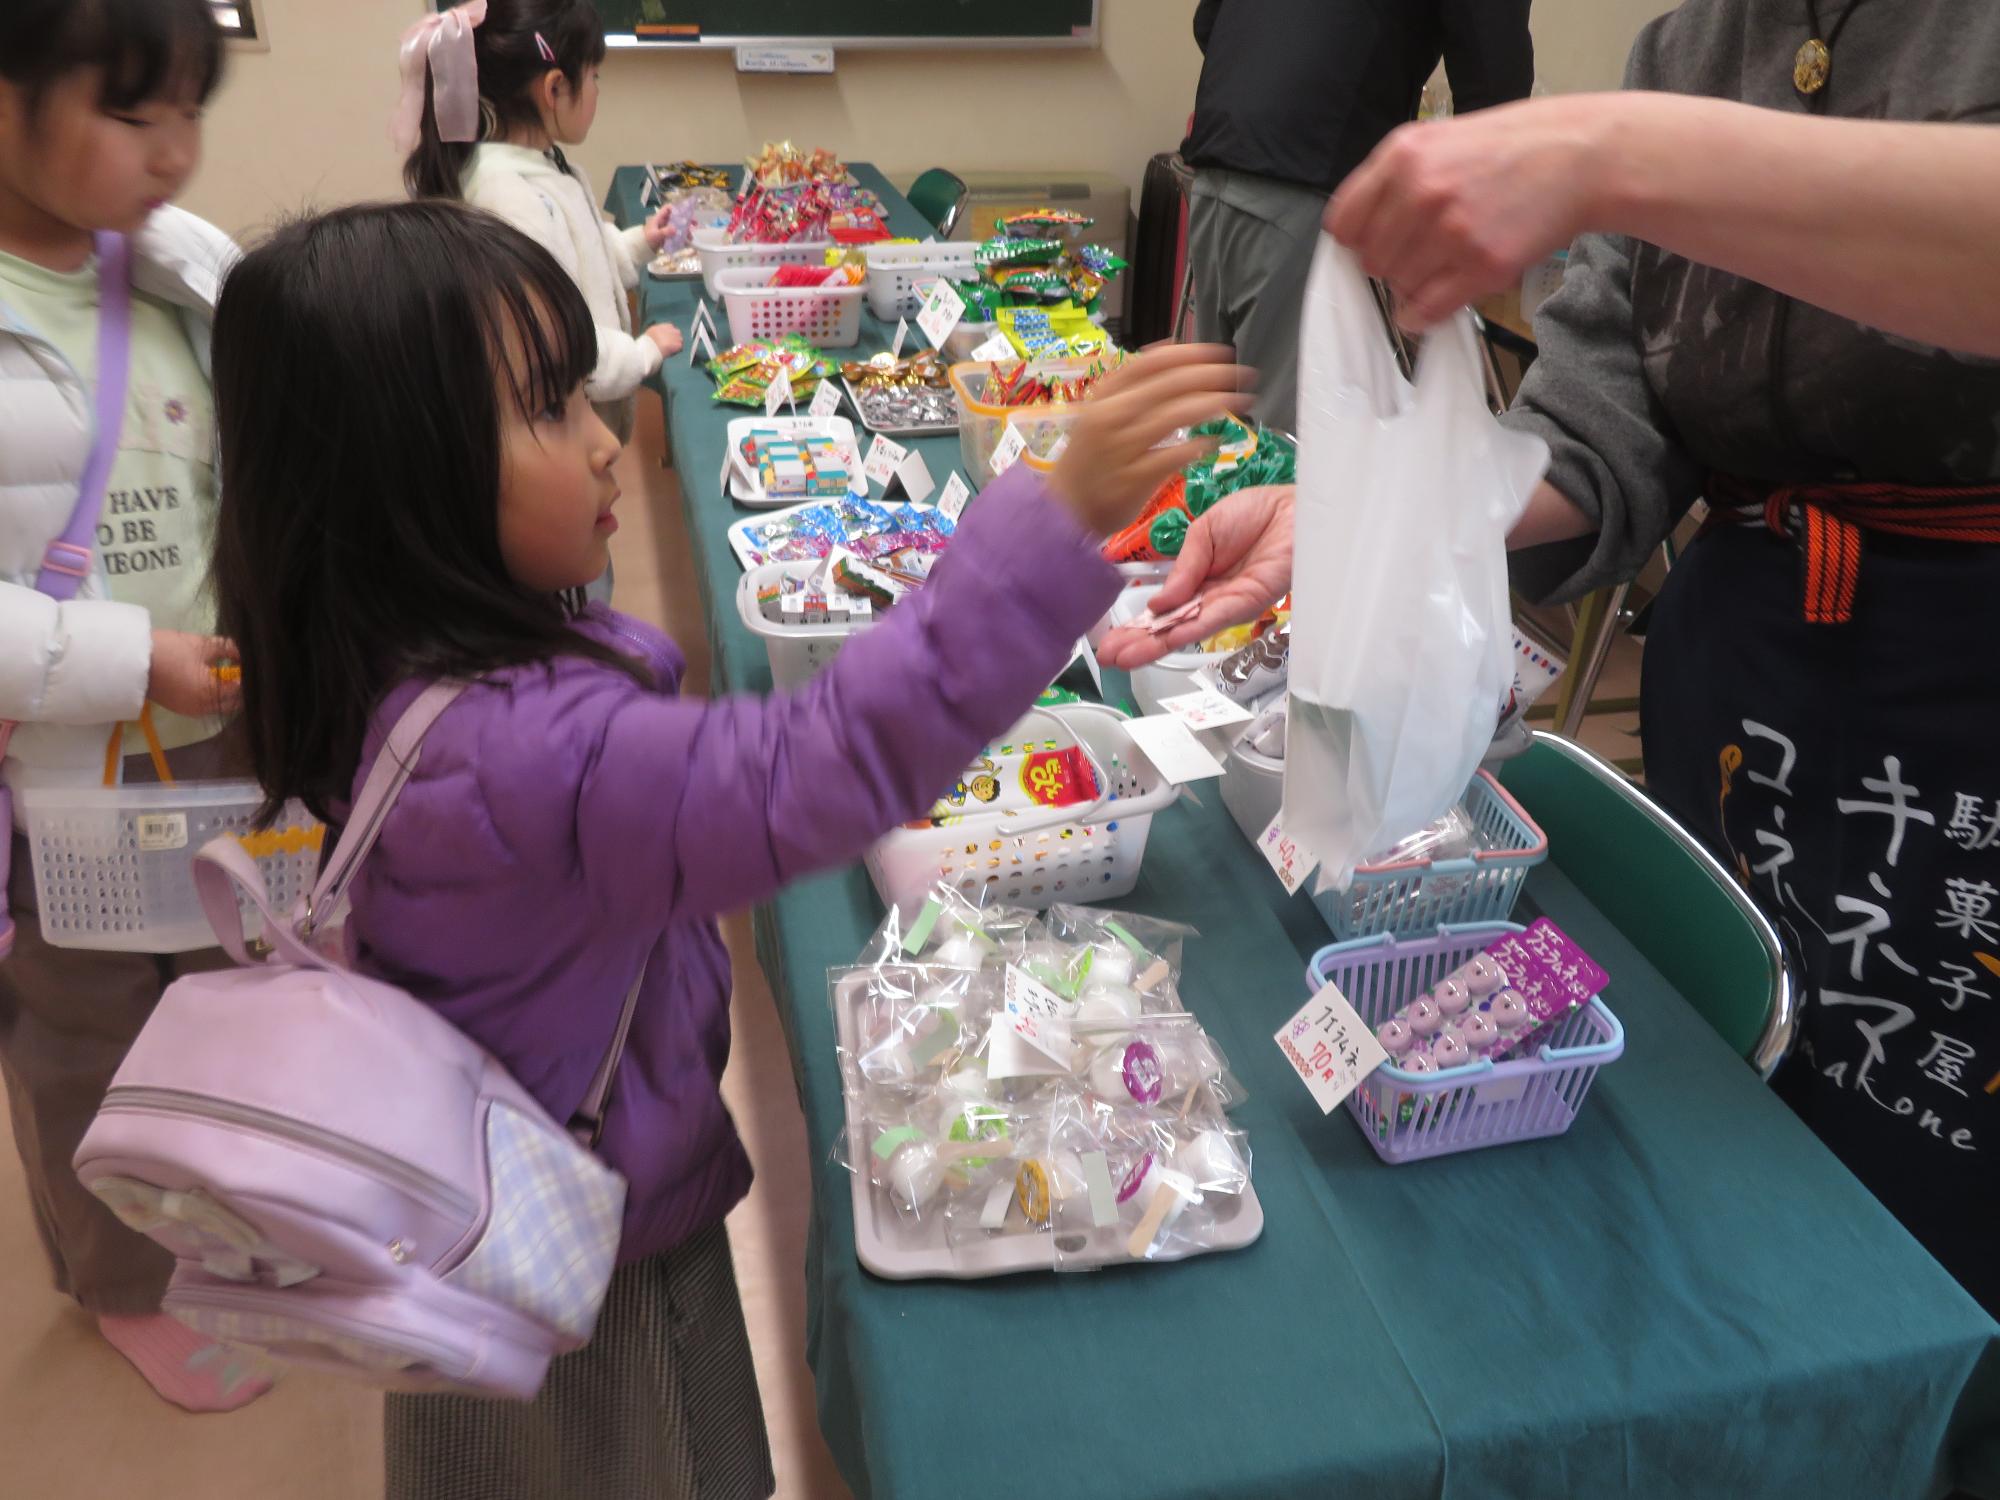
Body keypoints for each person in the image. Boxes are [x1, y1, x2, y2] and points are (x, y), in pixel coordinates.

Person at [206, 198, 1244, 1499]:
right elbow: (823, 764)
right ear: (402, 487)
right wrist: (1047, 518)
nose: (603, 442)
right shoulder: (536, 755)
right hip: (596, 1259)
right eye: (549, 411)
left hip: (478, 1204)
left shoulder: (382, 671)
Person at [1105, 0, 2000, 1319]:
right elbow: (1593, 434)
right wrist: (1365, 518)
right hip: (1753, 702)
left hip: (1962, 709)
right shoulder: (1692, 48)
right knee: (1738, 1161)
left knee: (1935, 1219)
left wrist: (1619, 156)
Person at [0, 0, 274, 1412]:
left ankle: (225, 1224)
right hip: (63, 769)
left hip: (215, 731)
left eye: (188, 112)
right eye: (129, 112)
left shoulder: (186, 273)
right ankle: (120, 1278)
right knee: (86, 1029)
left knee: (230, 986)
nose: (174, 152)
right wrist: (131, 660)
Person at [1179, 0, 1534, 429]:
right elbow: (1494, 76)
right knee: (1288, 444)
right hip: (1304, 177)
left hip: (1219, 161)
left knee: (1217, 427)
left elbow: (1207, 23)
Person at [399, 0, 681, 446]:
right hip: (556, 438)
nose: (597, 89)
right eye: (593, 76)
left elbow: (575, 259)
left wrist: (636, 244)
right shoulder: (512, 197)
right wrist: (643, 354)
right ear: (554, 88)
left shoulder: (540, 166)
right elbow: (558, 339)